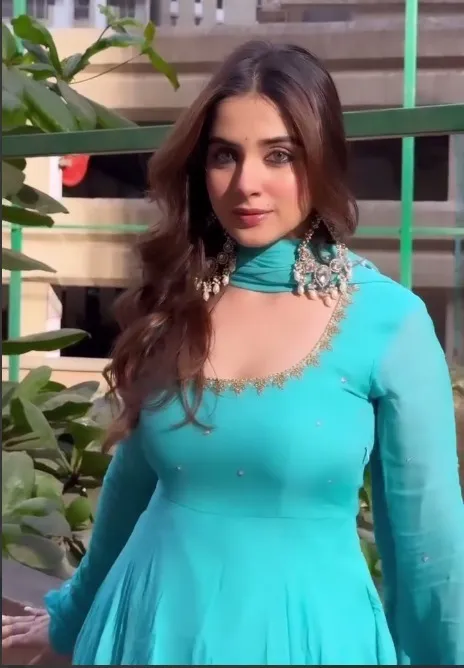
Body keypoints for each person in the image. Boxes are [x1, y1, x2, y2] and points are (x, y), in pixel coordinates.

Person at [2, 40, 464, 666]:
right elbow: (132, 483)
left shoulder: (390, 322)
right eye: (225, 155)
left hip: (305, 640)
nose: (247, 184)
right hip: (145, 630)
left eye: (279, 155)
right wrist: (69, 619)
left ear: (321, 158)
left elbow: (429, 550)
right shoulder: (177, 297)